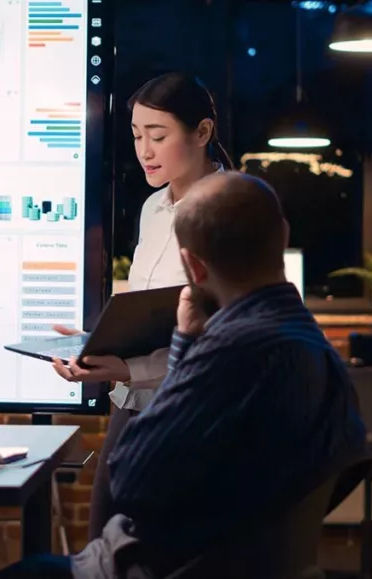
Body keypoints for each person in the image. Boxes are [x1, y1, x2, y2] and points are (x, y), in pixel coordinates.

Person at [66, 172, 367, 578]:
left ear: (193, 265)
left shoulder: (233, 354)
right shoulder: (314, 348)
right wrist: (189, 342)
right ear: (283, 233)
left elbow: (130, 481)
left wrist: (187, 353)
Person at [50, 72, 233, 539]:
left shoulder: (230, 208)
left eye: (158, 136)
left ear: (203, 132)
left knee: (162, 552)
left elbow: (218, 343)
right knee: (102, 536)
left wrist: (126, 368)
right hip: (130, 405)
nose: (144, 151)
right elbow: (150, 313)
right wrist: (99, 341)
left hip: (186, 412)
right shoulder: (154, 208)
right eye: (136, 136)